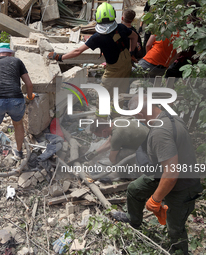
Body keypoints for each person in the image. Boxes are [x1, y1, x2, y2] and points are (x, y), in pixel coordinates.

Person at [112, 95, 203, 254]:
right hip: (164, 173)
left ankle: (179, 251)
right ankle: (134, 220)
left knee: (175, 228)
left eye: (136, 117)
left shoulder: (160, 133)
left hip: (182, 185)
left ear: (140, 115)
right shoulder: (169, 116)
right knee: (134, 189)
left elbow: (171, 174)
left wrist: (155, 199)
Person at [48, 2, 138, 117]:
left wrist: (59, 57)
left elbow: (78, 51)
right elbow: (134, 36)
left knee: (103, 94)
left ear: (97, 17)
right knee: (120, 91)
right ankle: (116, 117)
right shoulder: (121, 27)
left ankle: (101, 122)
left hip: (114, 69)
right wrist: (131, 53)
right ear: (114, 15)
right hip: (127, 65)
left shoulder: (98, 37)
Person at [0, 43, 34, 168]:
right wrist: (29, 96)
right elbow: (29, 84)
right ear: (10, 53)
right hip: (16, 100)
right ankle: (19, 152)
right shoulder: (17, 62)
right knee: (18, 124)